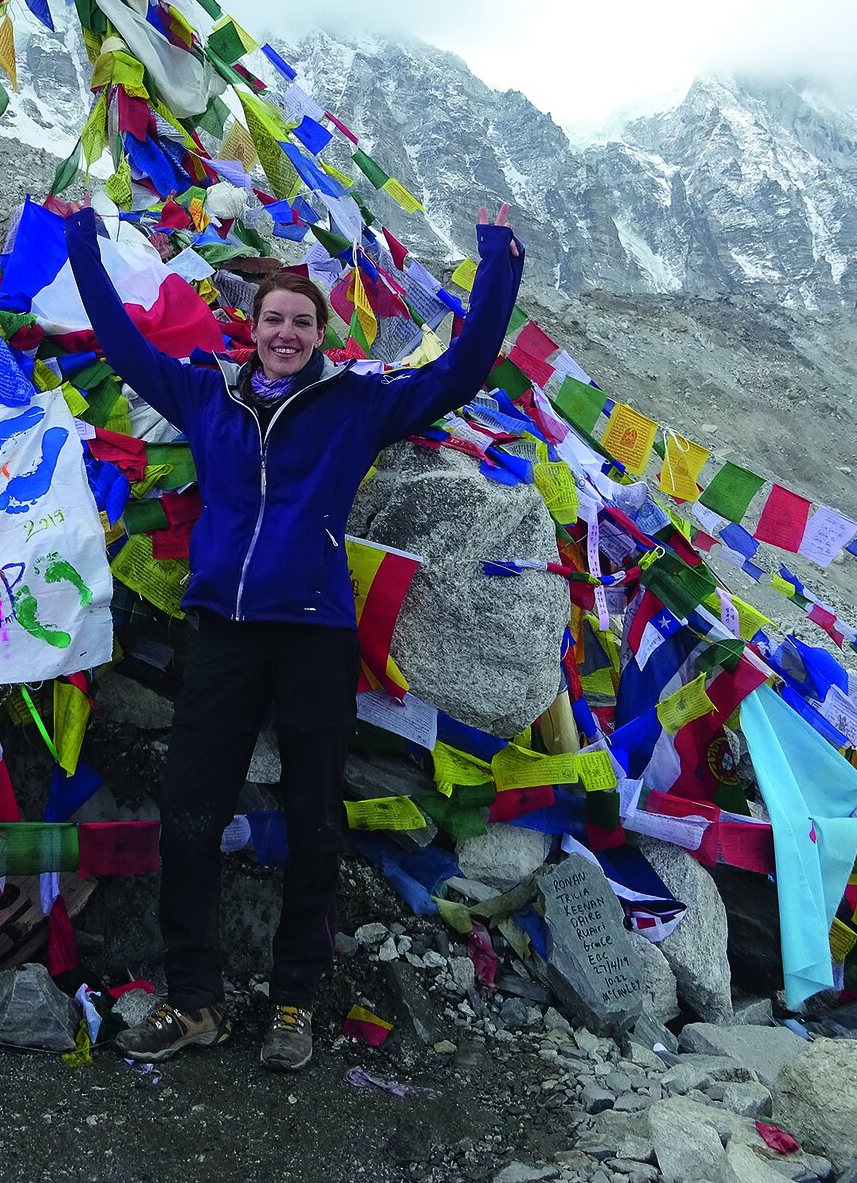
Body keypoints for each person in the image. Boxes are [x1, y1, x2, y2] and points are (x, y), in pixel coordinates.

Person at [64, 202, 524, 1072]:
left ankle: (292, 1004)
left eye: (302, 322)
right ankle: (194, 1001)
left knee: (314, 827)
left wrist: (497, 263)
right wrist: (80, 245)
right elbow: (122, 346)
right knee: (190, 820)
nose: (285, 332)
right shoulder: (206, 395)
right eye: (274, 318)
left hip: (315, 636)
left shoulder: (355, 405)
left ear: (320, 333)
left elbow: (462, 371)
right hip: (226, 635)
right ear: (253, 324)